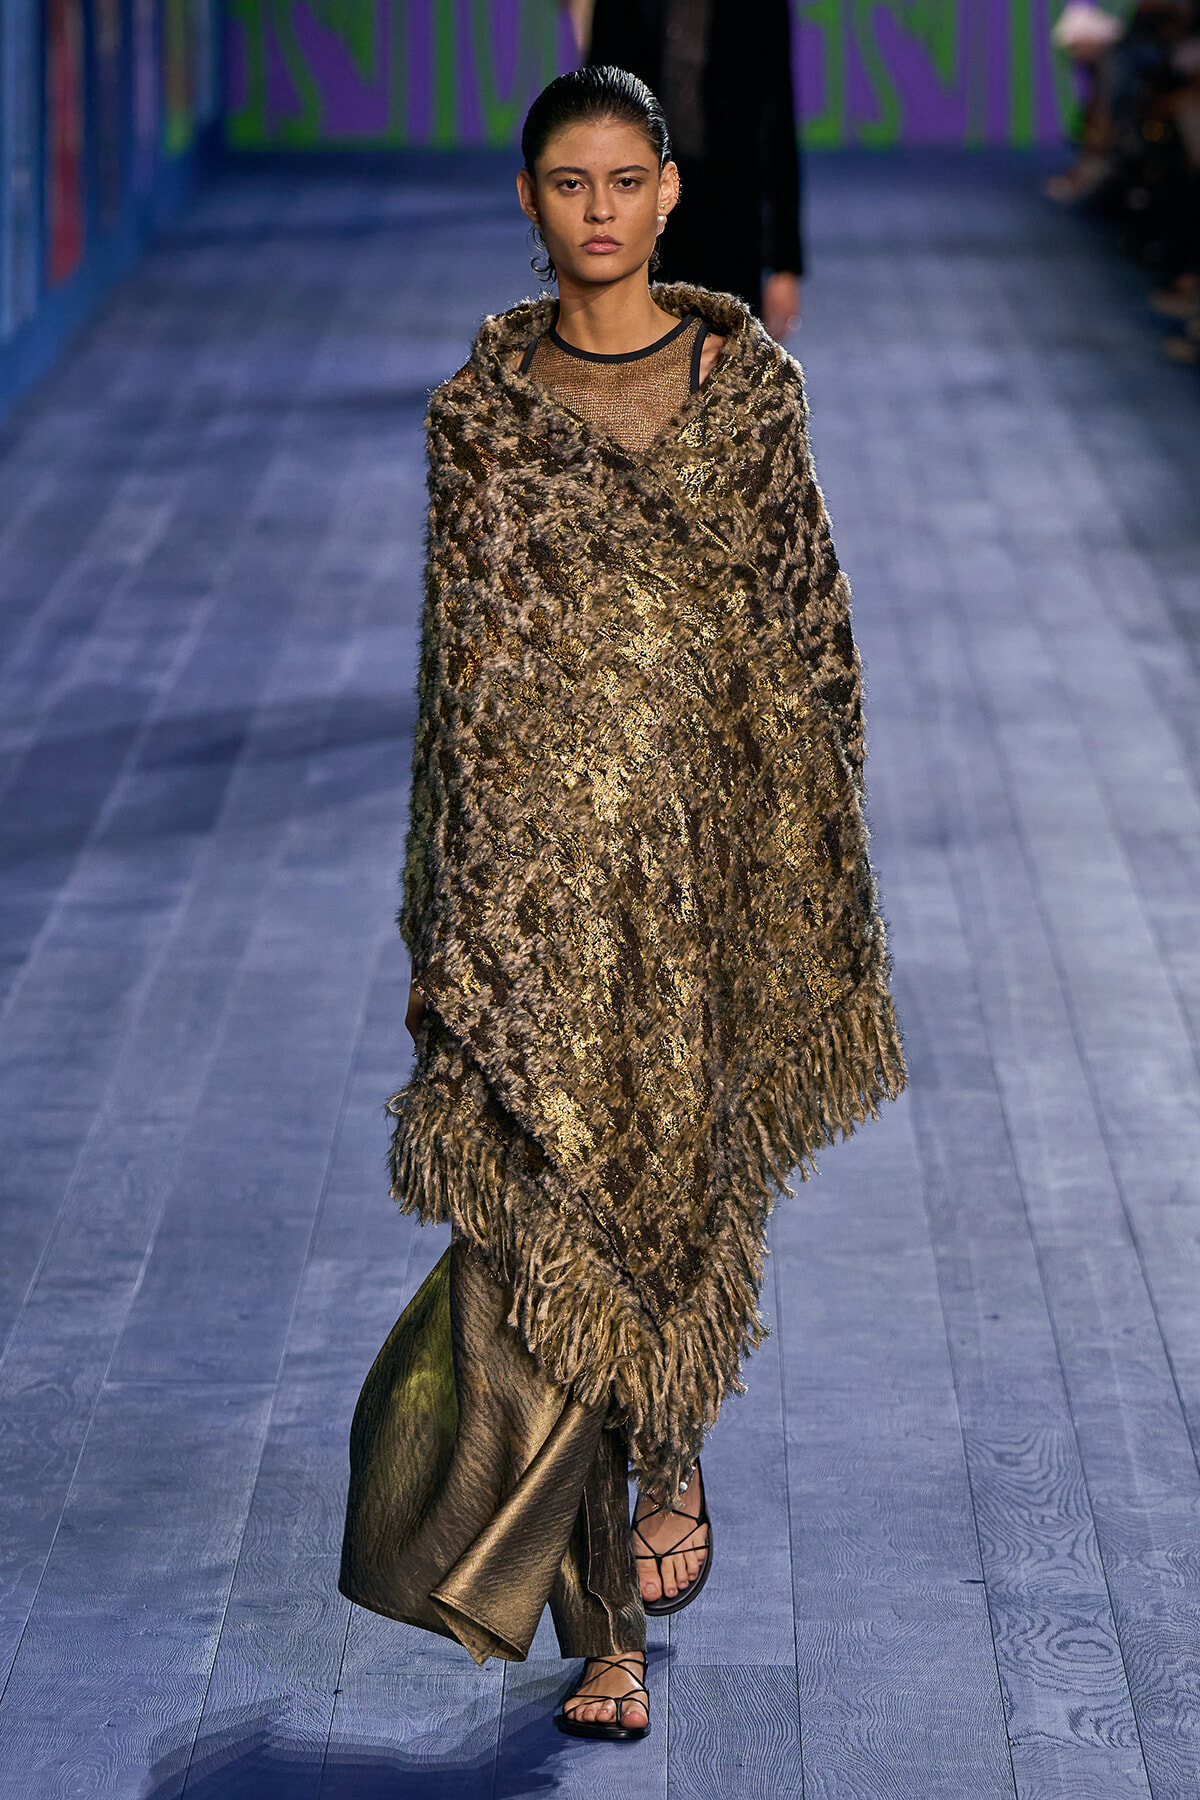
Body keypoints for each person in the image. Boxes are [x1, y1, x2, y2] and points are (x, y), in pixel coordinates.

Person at [339, 65, 905, 1744]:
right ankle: (610, 1644)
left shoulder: (749, 393)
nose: (594, 212)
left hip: (712, 878)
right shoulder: (480, 420)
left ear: (669, 193)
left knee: (676, 1210)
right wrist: (445, 920)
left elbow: (816, 631)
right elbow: (461, 684)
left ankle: (676, 1441)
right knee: (545, 1242)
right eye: (563, 185)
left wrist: (814, 862)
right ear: (532, 207)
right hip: (538, 895)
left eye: (621, 180)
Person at [585, 0, 804, 338]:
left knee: (726, 371)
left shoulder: (760, 8)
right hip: (642, 212)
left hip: (730, 217)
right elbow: (598, 111)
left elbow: (777, 128)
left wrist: (783, 265)